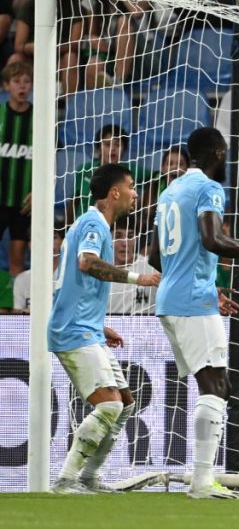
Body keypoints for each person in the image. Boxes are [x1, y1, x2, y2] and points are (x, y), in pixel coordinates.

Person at [148, 127, 239, 500]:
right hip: (192, 299)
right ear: (217, 153)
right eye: (224, 152)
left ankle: (201, 479)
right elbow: (212, 240)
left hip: (173, 298)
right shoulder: (209, 188)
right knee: (217, 386)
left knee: (211, 384)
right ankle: (202, 482)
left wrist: (208, 289)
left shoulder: (169, 191)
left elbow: (155, 257)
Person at [47, 163, 160, 494]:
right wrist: (136, 277)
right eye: (131, 186)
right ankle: (65, 480)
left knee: (124, 404)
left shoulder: (91, 223)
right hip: (73, 331)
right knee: (109, 405)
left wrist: (100, 324)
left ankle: (89, 477)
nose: (135, 193)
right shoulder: (95, 224)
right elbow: (87, 263)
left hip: (86, 327)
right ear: (114, 193)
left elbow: (71, 281)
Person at [0, 61, 33, 278]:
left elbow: (52, 160)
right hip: (0, 197)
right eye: (16, 82)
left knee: (17, 260)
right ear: (6, 86)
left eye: (26, 82)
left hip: (25, 202)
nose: (22, 87)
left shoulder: (40, 117)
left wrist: (39, 190)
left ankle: (17, 309)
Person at [107, 220, 159, 314]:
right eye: (118, 236)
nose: (125, 243)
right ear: (108, 239)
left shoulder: (152, 267)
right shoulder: (102, 272)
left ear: (136, 239)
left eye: (130, 236)